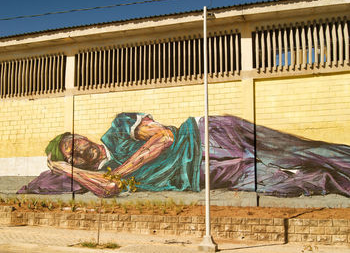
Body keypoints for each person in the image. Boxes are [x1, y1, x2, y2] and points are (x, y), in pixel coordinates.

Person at [18, 112, 350, 198]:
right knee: (288, 181)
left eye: (72, 141)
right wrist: (63, 168)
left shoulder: (118, 128)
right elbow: (107, 190)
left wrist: (120, 173)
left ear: (82, 135)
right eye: (70, 154)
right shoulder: (99, 176)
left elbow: (165, 136)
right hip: (199, 176)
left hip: (210, 136)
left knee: (292, 152)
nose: (77, 148)